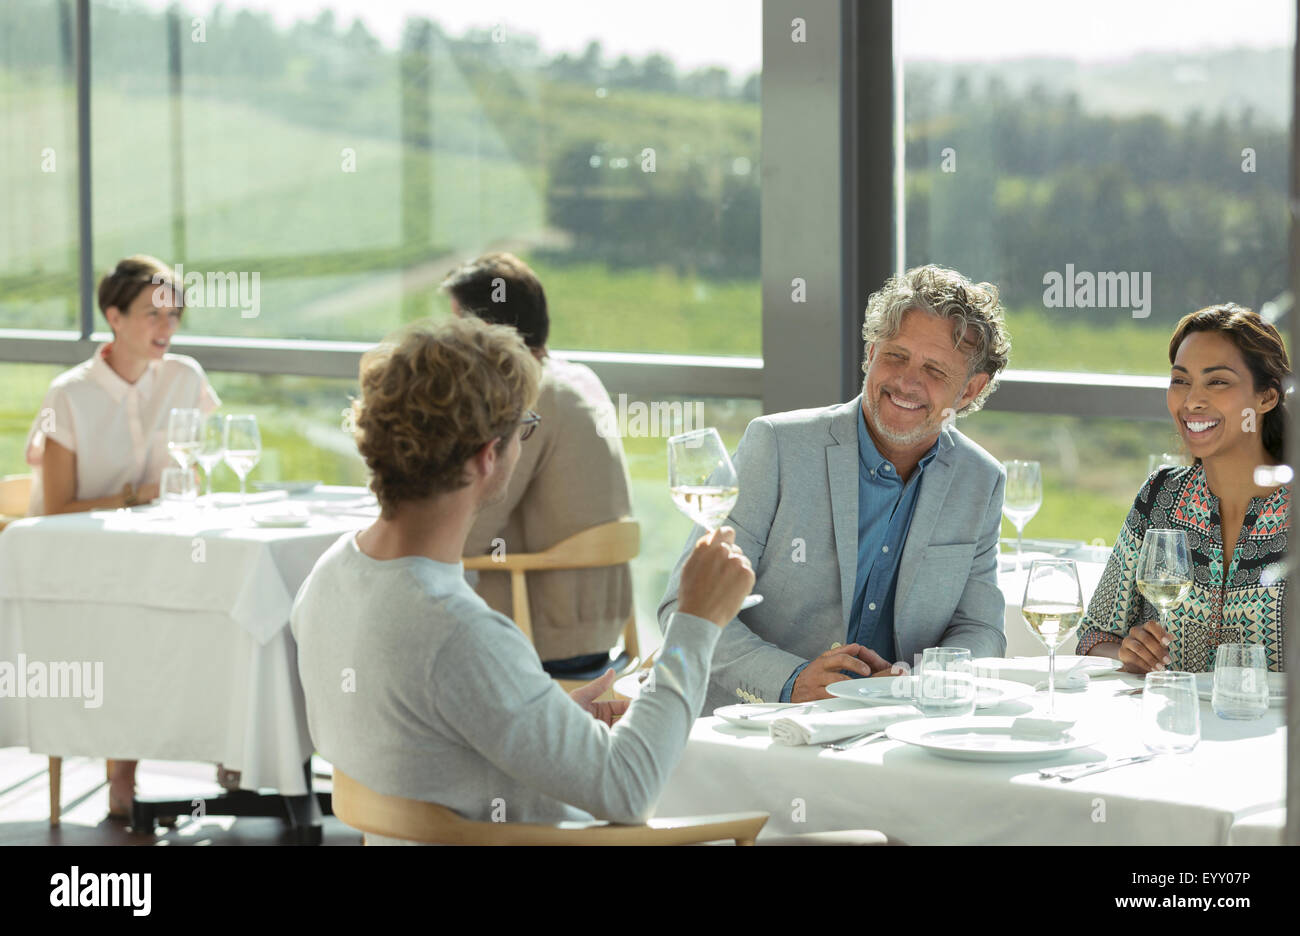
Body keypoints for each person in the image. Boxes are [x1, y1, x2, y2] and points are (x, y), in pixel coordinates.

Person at [290, 316, 753, 842]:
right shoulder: (456, 630)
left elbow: (423, 737)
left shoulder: (329, 574)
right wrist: (694, 625)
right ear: (490, 455)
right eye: (523, 429)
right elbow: (629, 790)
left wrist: (545, 713)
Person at [658, 264, 1012, 711]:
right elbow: (683, 609)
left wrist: (919, 681)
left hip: (891, 732)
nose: (906, 382)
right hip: (757, 725)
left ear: (970, 390)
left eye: (934, 370)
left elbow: (980, 628)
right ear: (870, 352)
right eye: (895, 356)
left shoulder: (980, 480)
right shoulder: (777, 446)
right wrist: (791, 680)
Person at [22, 254, 221, 817]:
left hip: (159, 550)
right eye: (152, 314)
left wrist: (174, 496)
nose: (167, 327)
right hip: (77, 566)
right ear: (113, 316)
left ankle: (234, 758)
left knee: (224, 603)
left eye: (174, 314)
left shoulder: (185, 377)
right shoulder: (70, 394)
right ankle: (124, 781)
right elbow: (56, 508)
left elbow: (197, 471)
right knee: (138, 621)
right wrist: (139, 496)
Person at [443, 253, 635, 677]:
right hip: (597, 626)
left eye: (457, 327)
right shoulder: (576, 376)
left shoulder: (531, 392)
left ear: (488, 331)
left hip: (546, 633)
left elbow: (466, 535)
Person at [1078, 304, 1289, 673]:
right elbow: (1093, 637)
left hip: (1277, 731)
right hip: (1172, 728)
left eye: (1217, 381)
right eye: (1180, 380)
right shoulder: (1160, 497)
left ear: (1266, 397)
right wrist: (1128, 654)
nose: (1192, 400)